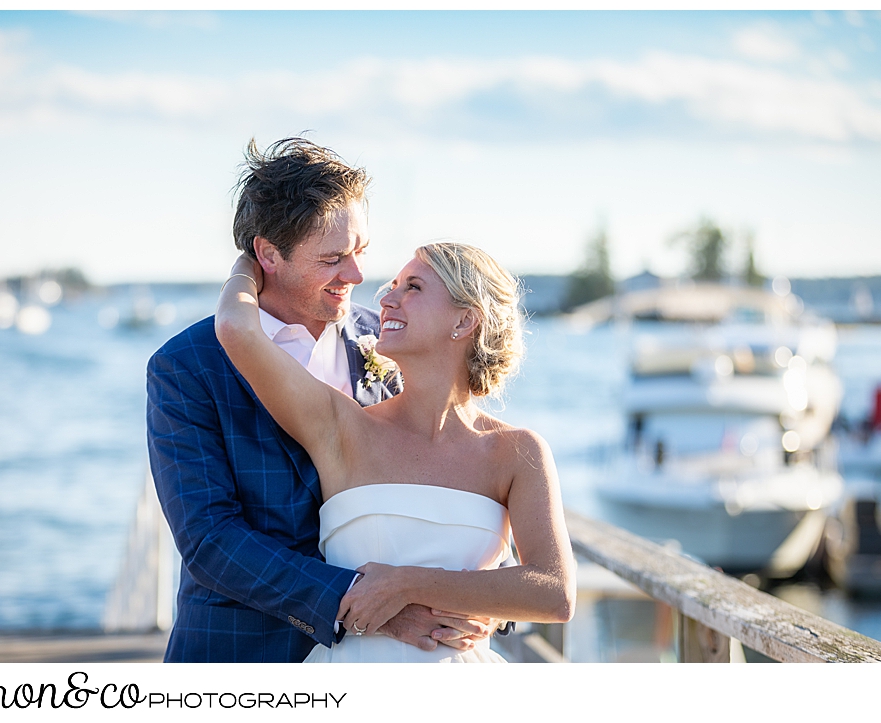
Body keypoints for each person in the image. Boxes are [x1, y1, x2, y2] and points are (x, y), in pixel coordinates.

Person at [147, 138, 505, 662]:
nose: (358, 276)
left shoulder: (394, 341)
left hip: (395, 666)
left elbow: (466, 458)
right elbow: (210, 540)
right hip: (245, 658)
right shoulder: (186, 367)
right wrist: (368, 604)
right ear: (268, 255)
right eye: (333, 258)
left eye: (360, 251)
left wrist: (488, 594)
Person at [215, 241, 576, 662]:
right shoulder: (342, 428)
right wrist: (252, 252)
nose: (386, 300)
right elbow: (237, 329)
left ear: (464, 319)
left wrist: (405, 585)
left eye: (414, 288)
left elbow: (554, 592)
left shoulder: (518, 452)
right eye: (392, 286)